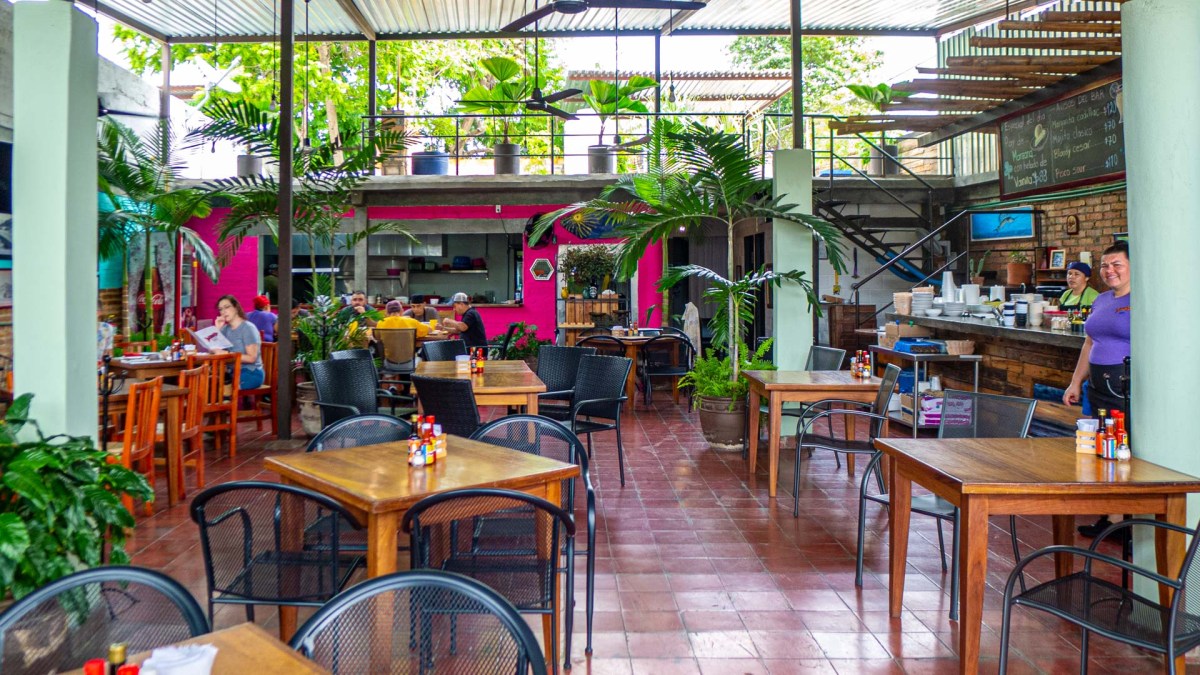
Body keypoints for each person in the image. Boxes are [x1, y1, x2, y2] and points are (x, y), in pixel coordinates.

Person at [1062, 241, 1131, 538]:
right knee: (1104, 449)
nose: (1109, 270)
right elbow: (1089, 343)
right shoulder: (1102, 300)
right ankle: (1111, 518)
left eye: (1117, 264)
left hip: (1124, 385)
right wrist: (1075, 381)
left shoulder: (1143, 300)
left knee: (1125, 449)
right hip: (1098, 385)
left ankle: (1126, 522)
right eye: (1104, 265)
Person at [211, 294, 265, 390]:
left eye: (227, 307)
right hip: (231, 372)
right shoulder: (225, 329)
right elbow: (213, 350)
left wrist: (227, 354)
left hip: (251, 372)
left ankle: (227, 397)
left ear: (236, 308)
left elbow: (251, 358)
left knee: (223, 389)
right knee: (208, 384)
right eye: (220, 309)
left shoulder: (248, 328)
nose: (223, 312)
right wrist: (217, 330)